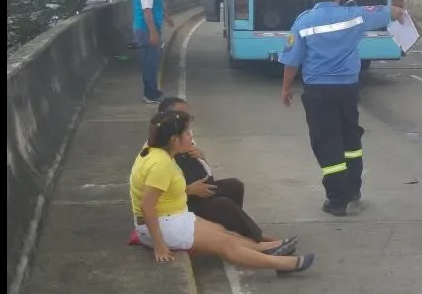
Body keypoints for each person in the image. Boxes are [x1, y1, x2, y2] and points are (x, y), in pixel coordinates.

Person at [129, 110, 315, 273]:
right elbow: (147, 207)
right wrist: (160, 246)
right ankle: (283, 264)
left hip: (173, 216)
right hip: (164, 224)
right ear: (174, 140)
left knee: (222, 231)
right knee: (224, 244)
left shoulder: (156, 151)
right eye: (187, 132)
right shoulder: (160, 164)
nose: (191, 136)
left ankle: (265, 247)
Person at [279, 0, 404, 216]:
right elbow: (393, 12)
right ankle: (353, 189)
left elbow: (292, 61)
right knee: (350, 139)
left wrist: (286, 89)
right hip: (348, 90)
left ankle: (336, 201)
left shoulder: (303, 22)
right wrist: (401, 16)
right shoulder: (355, 15)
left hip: (318, 92)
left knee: (327, 142)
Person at [157, 97, 285, 244]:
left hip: (197, 189)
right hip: (181, 202)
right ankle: (259, 239)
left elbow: (206, 172)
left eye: (189, 117)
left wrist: (201, 157)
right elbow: (158, 195)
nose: (188, 122)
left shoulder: (181, 135)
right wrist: (188, 190)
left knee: (234, 186)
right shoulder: (160, 152)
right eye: (183, 117)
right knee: (223, 205)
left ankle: (236, 232)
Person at [133, 0, 174, 104]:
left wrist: (166, 16)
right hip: (145, 29)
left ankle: (153, 91)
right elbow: (147, 12)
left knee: (153, 61)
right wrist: (153, 33)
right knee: (149, 62)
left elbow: (158, 3)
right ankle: (150, 94)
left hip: (151, 27)